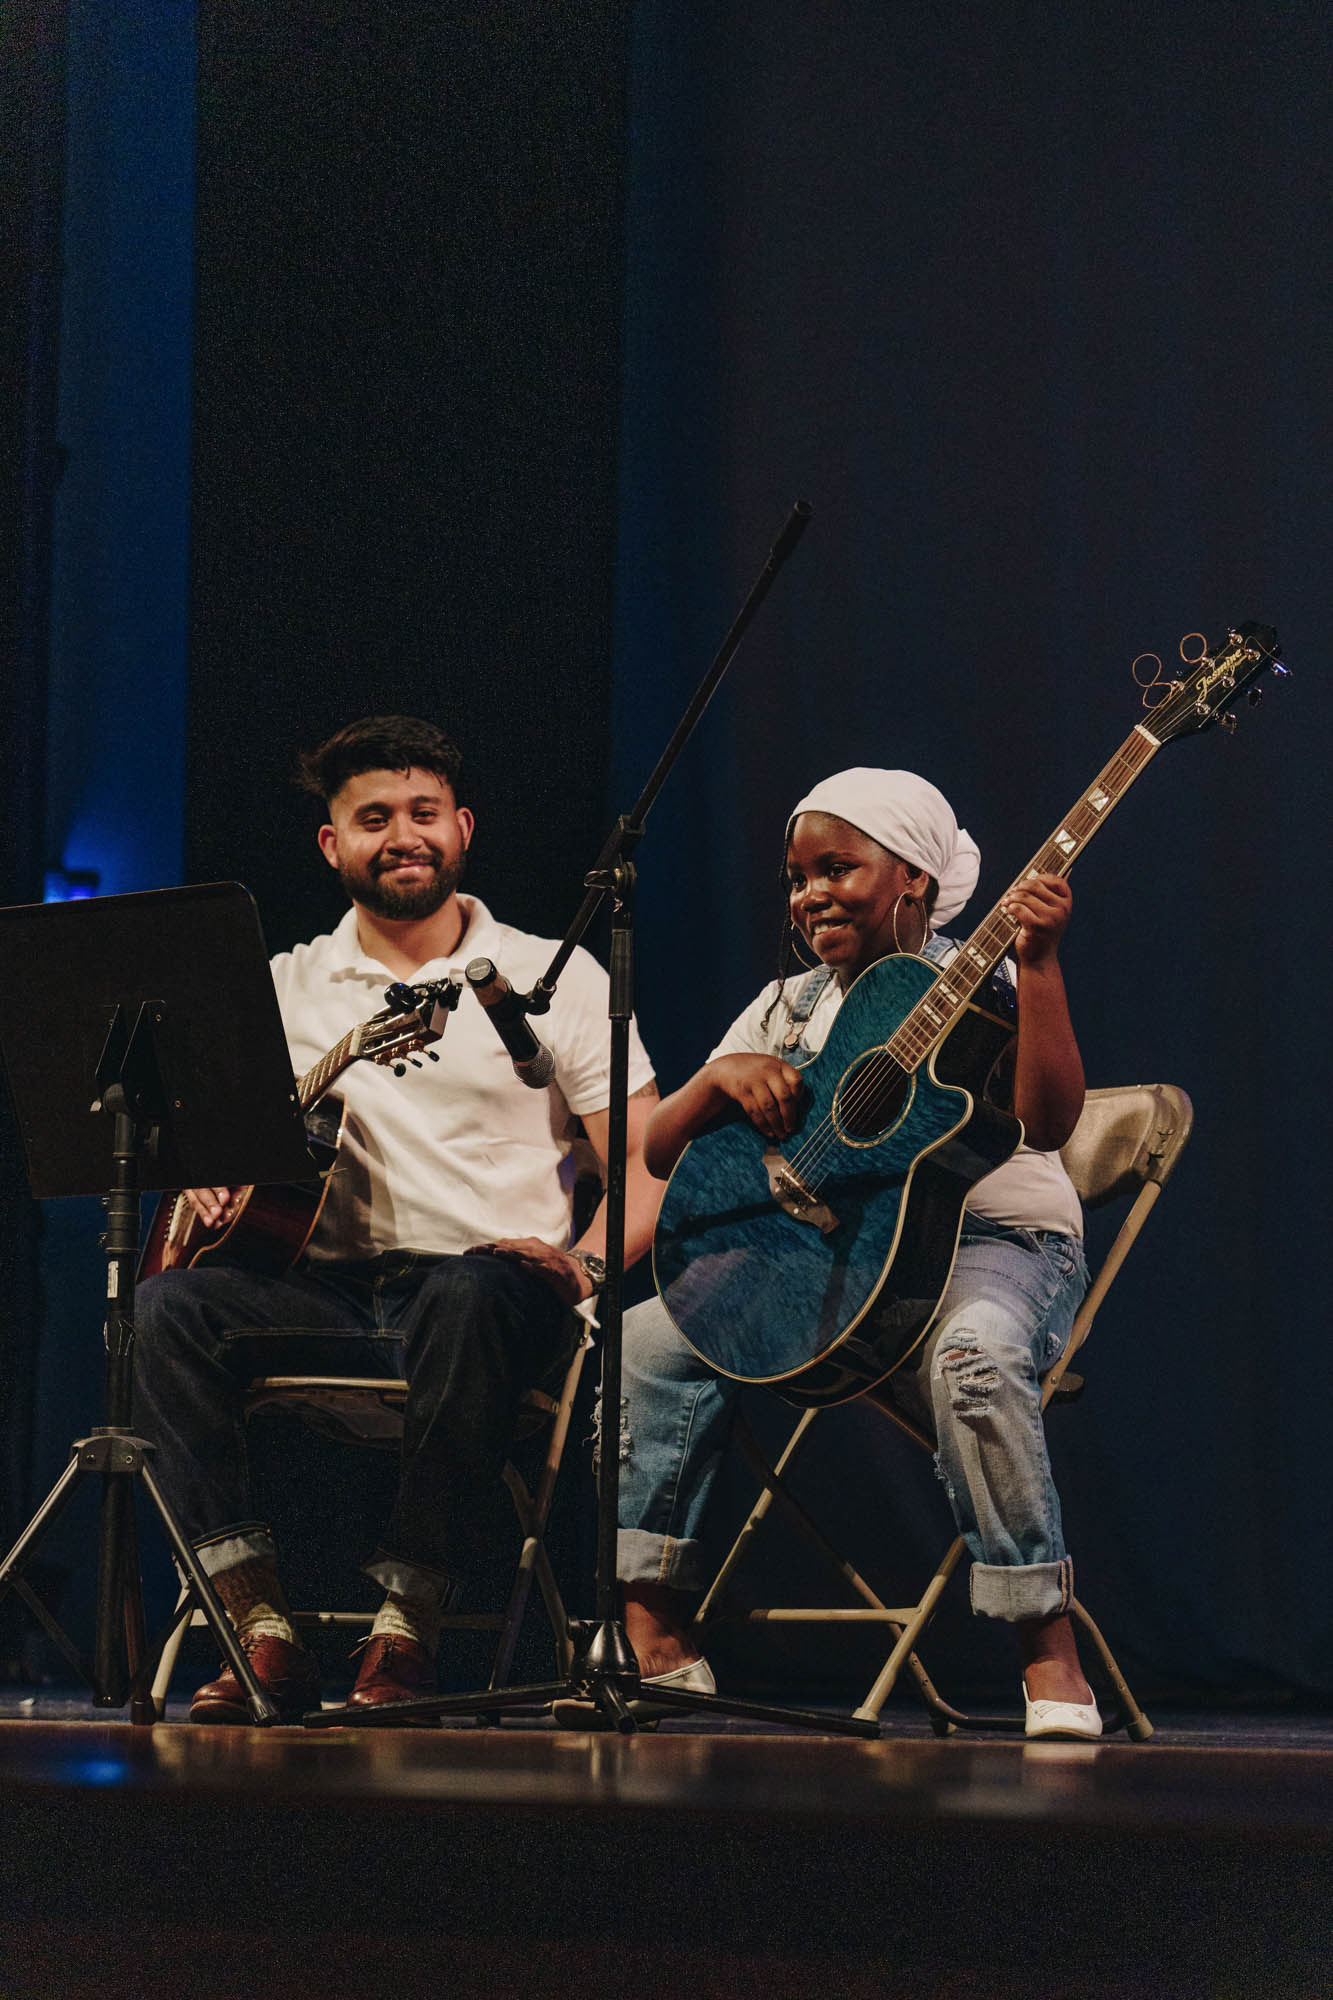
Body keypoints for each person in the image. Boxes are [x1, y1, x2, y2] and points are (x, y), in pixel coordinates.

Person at [133, 715, 660, 1721]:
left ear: (463, 828)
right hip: (321, 1297)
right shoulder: (282, 985)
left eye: (423, 812)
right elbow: (202, 1150)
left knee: (470, 1287)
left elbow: (641, 1161)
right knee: (162, 1312)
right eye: (373, 818)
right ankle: (254, 1627)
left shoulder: (550, 977)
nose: (402, 835)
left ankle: (408, 1621)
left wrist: (584, 1266)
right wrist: (206, 1175)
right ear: (331, 844)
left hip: (492, 1302)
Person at [610, 766, 1102, 1738]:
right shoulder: (786, 1005)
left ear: (912, 876)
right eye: (798, 877)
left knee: (973, 1354)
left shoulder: (981, 985)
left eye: (837, 868)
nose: (810, 894)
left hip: (995, 1243)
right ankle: (652, 1631)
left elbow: (1047, 1123)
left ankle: (1047, 1650)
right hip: (834, 1249)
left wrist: (1040, 966)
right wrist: (715, 1080)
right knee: (646, 1342)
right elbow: (658, 1153)